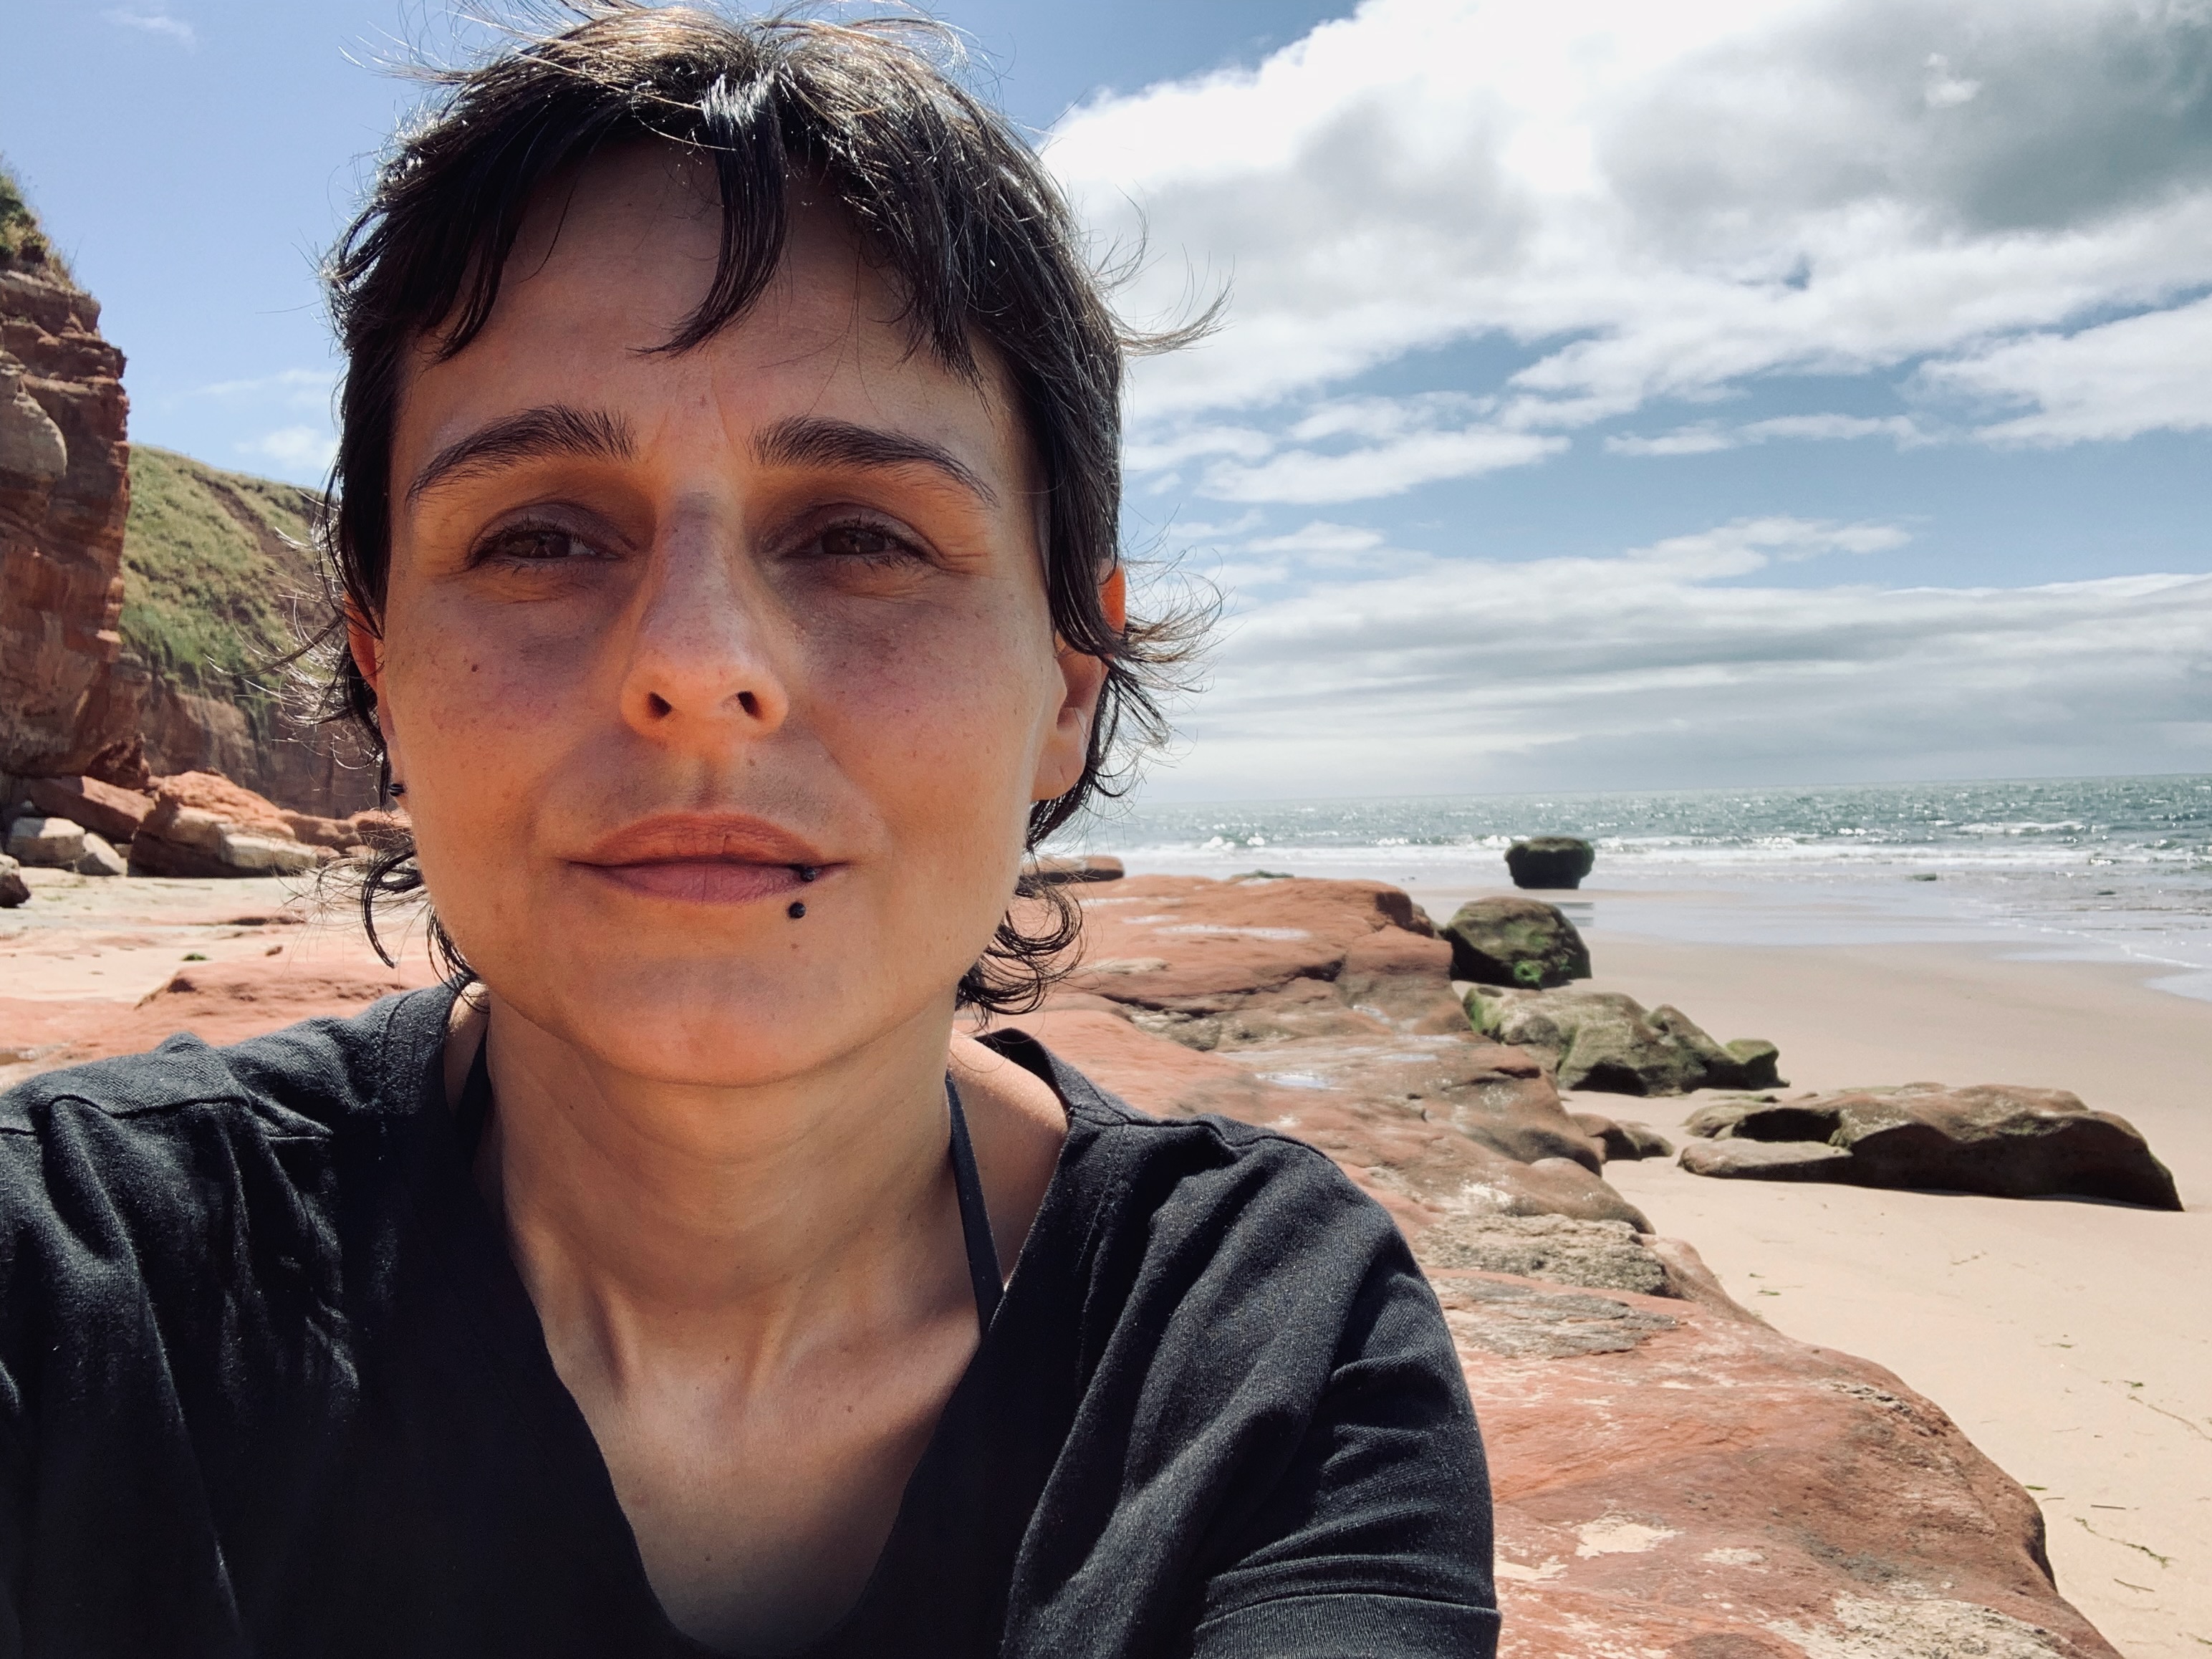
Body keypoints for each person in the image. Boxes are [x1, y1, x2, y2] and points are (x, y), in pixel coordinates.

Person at [0, 8, 1498, 1654]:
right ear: (382, 666)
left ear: (1067, 685)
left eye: (859, 535)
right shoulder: (66, 1277)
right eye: (539, 537)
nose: (699, 667)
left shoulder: (1262, 1357)